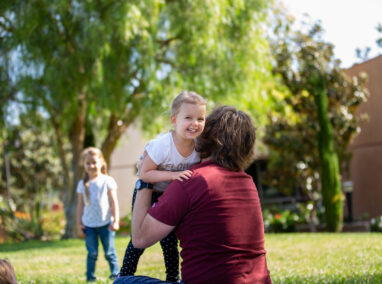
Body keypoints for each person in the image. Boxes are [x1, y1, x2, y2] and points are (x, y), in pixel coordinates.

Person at [115, 106, 272, 284]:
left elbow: (140, 238)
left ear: (207, 138)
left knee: (123, 282)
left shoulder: (192, 180)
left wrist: (145, 177)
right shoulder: (248, 182)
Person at [119, 91, 207, 283]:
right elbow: (144, 173)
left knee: (169, 240)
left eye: (201, 118)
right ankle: (124, 276)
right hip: (148, 193)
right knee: (139, 240)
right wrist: (172, 175)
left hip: (170, 197)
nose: (195, 123)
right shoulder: (162, 145)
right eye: (189, 118)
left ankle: (172, 278)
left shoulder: (200, 147)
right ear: (174, 120)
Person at [76, 147, 120, 282]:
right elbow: (80, 206)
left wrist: (116, 221)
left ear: (101, 162)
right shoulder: (82, 184)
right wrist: (79, 224)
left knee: (109, 252)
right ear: (84, 165)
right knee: (92, 253)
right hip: (89, 225)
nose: (91, 166)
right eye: (88, 163)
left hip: (106, 224)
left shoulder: (108, 181)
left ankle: (116, 275)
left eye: (94, 162)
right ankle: (90, 277)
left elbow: (114, 203)